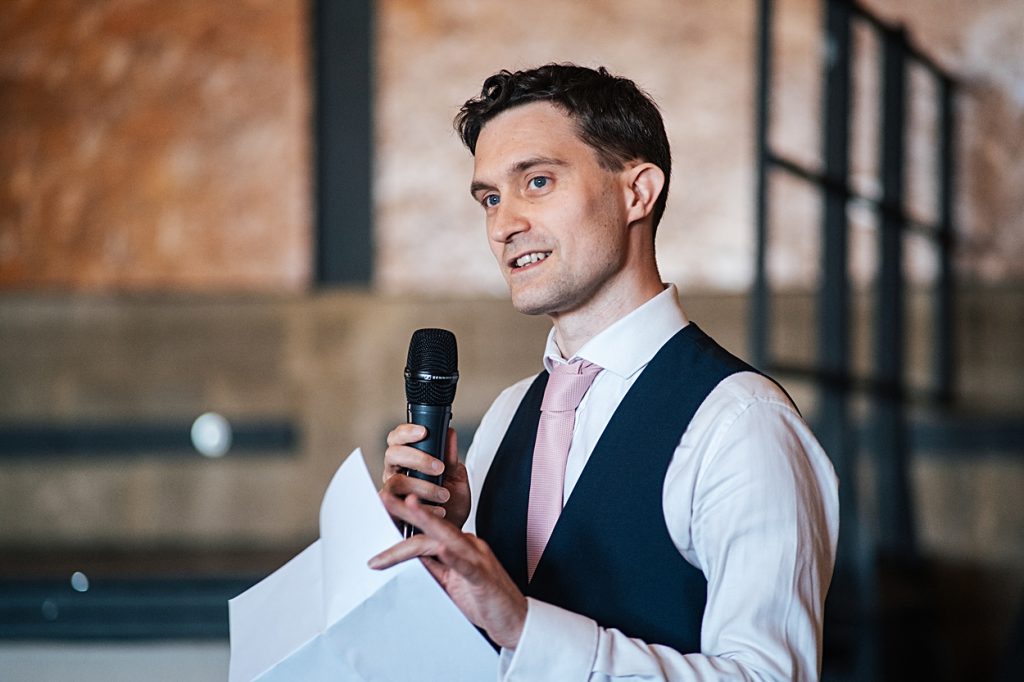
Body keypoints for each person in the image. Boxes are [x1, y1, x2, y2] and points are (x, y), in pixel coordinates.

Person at [370, 63, 839, 681]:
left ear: (637, 192)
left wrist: (527, 627)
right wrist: (440, 546)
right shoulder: (511, 412)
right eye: (490, 197)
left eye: (536, 182)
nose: (503, 225)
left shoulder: (742, 422)